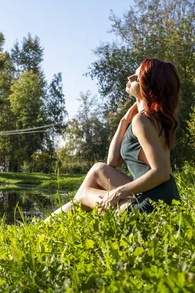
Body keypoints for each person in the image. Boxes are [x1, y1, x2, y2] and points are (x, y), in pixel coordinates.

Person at [47, 58, 181, 220]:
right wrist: (124, 121)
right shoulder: (151, 118)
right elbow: (113, 161)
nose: (129, 78)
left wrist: (118, 193)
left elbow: (162, 172)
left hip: (153, 207)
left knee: (83, 196)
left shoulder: (142, 120)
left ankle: (43, 228)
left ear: (147, 87)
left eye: (136, 78)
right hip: (165, 198)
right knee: (99, 169)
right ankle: (47, 226)